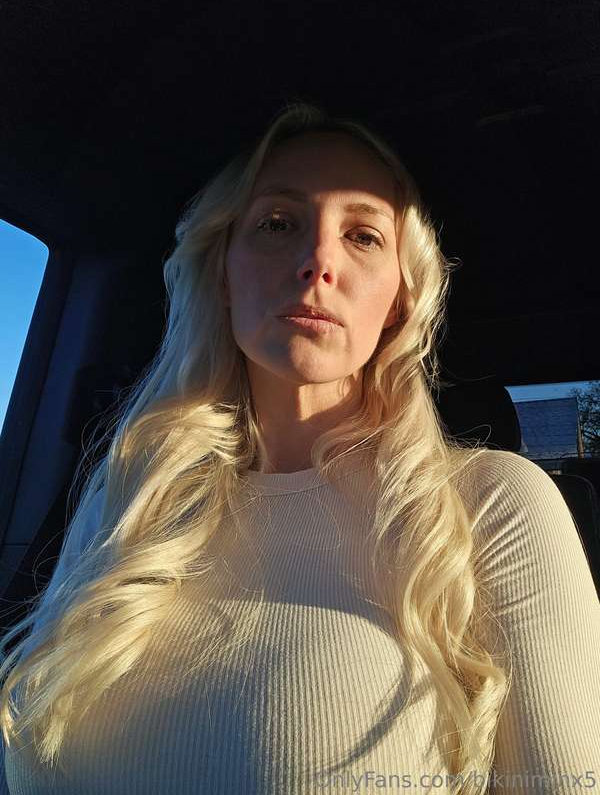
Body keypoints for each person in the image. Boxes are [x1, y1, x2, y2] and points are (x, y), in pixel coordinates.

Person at [0, 100, 598, 794]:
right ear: (223, 275)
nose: (318, 260)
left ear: (399, 300)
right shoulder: (132, 496)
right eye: (278, 224)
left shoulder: (493, 505)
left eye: (363, 236)